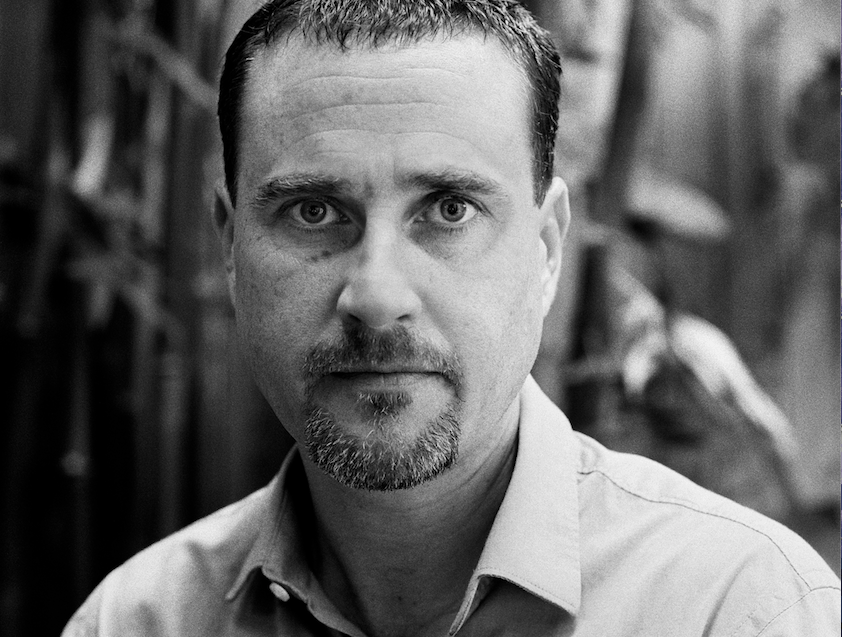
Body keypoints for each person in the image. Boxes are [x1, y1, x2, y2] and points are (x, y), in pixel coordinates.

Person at [62, 1, 840, 635]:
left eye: (448, 208)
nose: (375, 293)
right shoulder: (135, 620)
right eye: (313, 210)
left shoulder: (745, 610)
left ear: (546, 248)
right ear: (229, 244)